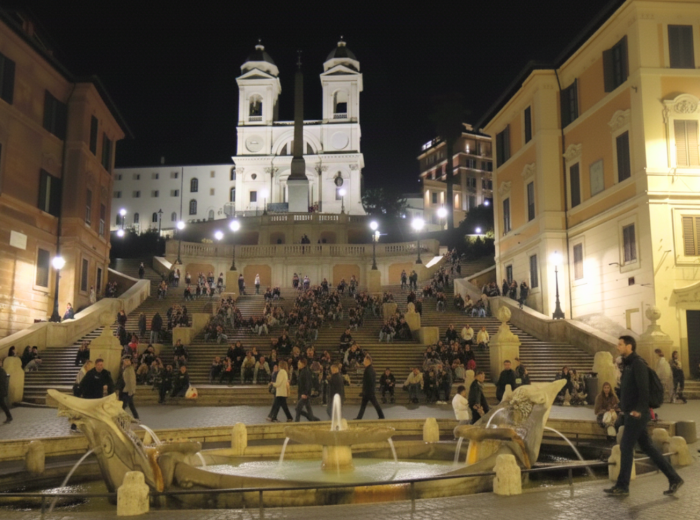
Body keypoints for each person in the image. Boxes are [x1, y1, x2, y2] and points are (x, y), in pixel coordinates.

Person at [604, 336, 683, 497]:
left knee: (626, 447)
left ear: (629, 346)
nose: (617, 347)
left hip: (637, 414)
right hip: (630, 412)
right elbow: (628, 390)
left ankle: (622, 486)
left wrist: (639, 410)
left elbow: (644, 389)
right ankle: (674, 478)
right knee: (648, 448)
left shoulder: (638, 364)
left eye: (620, 344)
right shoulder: (628, 365)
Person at [355, 355, 385, 420]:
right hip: (369, 391)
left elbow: (369, 382)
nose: (363, 362)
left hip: (368, 392)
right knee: (365, 405)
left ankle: (381, 416)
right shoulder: (370, 369)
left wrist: (365, 391)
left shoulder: (368, 370)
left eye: (364, 360)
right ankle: (359, 417)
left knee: (372, 404)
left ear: (368, 361)